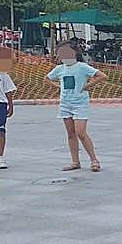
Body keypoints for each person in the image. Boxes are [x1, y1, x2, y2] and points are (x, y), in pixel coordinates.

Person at [46, 44, 107, 172]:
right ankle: (75, 161)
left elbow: (102, 76)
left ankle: (94, 160)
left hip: (80, 103)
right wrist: (58, 86)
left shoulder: (82, 67)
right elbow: (47, 78)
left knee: (81, 132)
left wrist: (88, 86)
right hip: (65, 104)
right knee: (70, 133)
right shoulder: (59, 68)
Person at [0, 48, 15, 169]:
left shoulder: (3, 74)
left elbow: (8, 91)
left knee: (0, 131)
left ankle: (0, 158)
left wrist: (11, 105)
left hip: (1, 105)